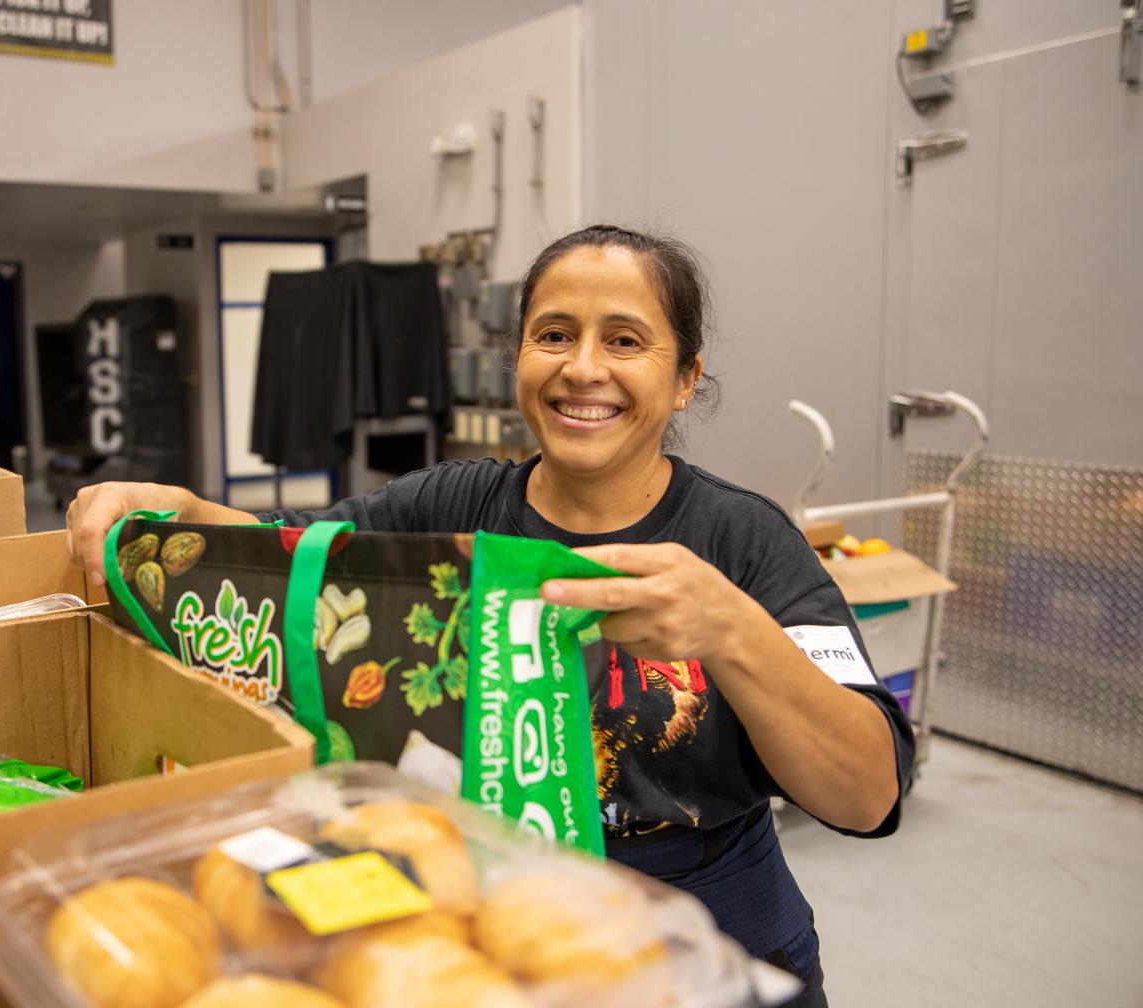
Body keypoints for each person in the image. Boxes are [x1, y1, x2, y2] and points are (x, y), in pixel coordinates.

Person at [66, 225, 914, 1006]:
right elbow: (287, 555)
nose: (583, 368)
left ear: (686, 378)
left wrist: (731, 631)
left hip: (710, 936)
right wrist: (178, 506)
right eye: (554, 335)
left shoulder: (742, 540)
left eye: (624, 340)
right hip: (492, 930)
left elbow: (868, 793)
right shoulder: (452, 505)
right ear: (520, 359)